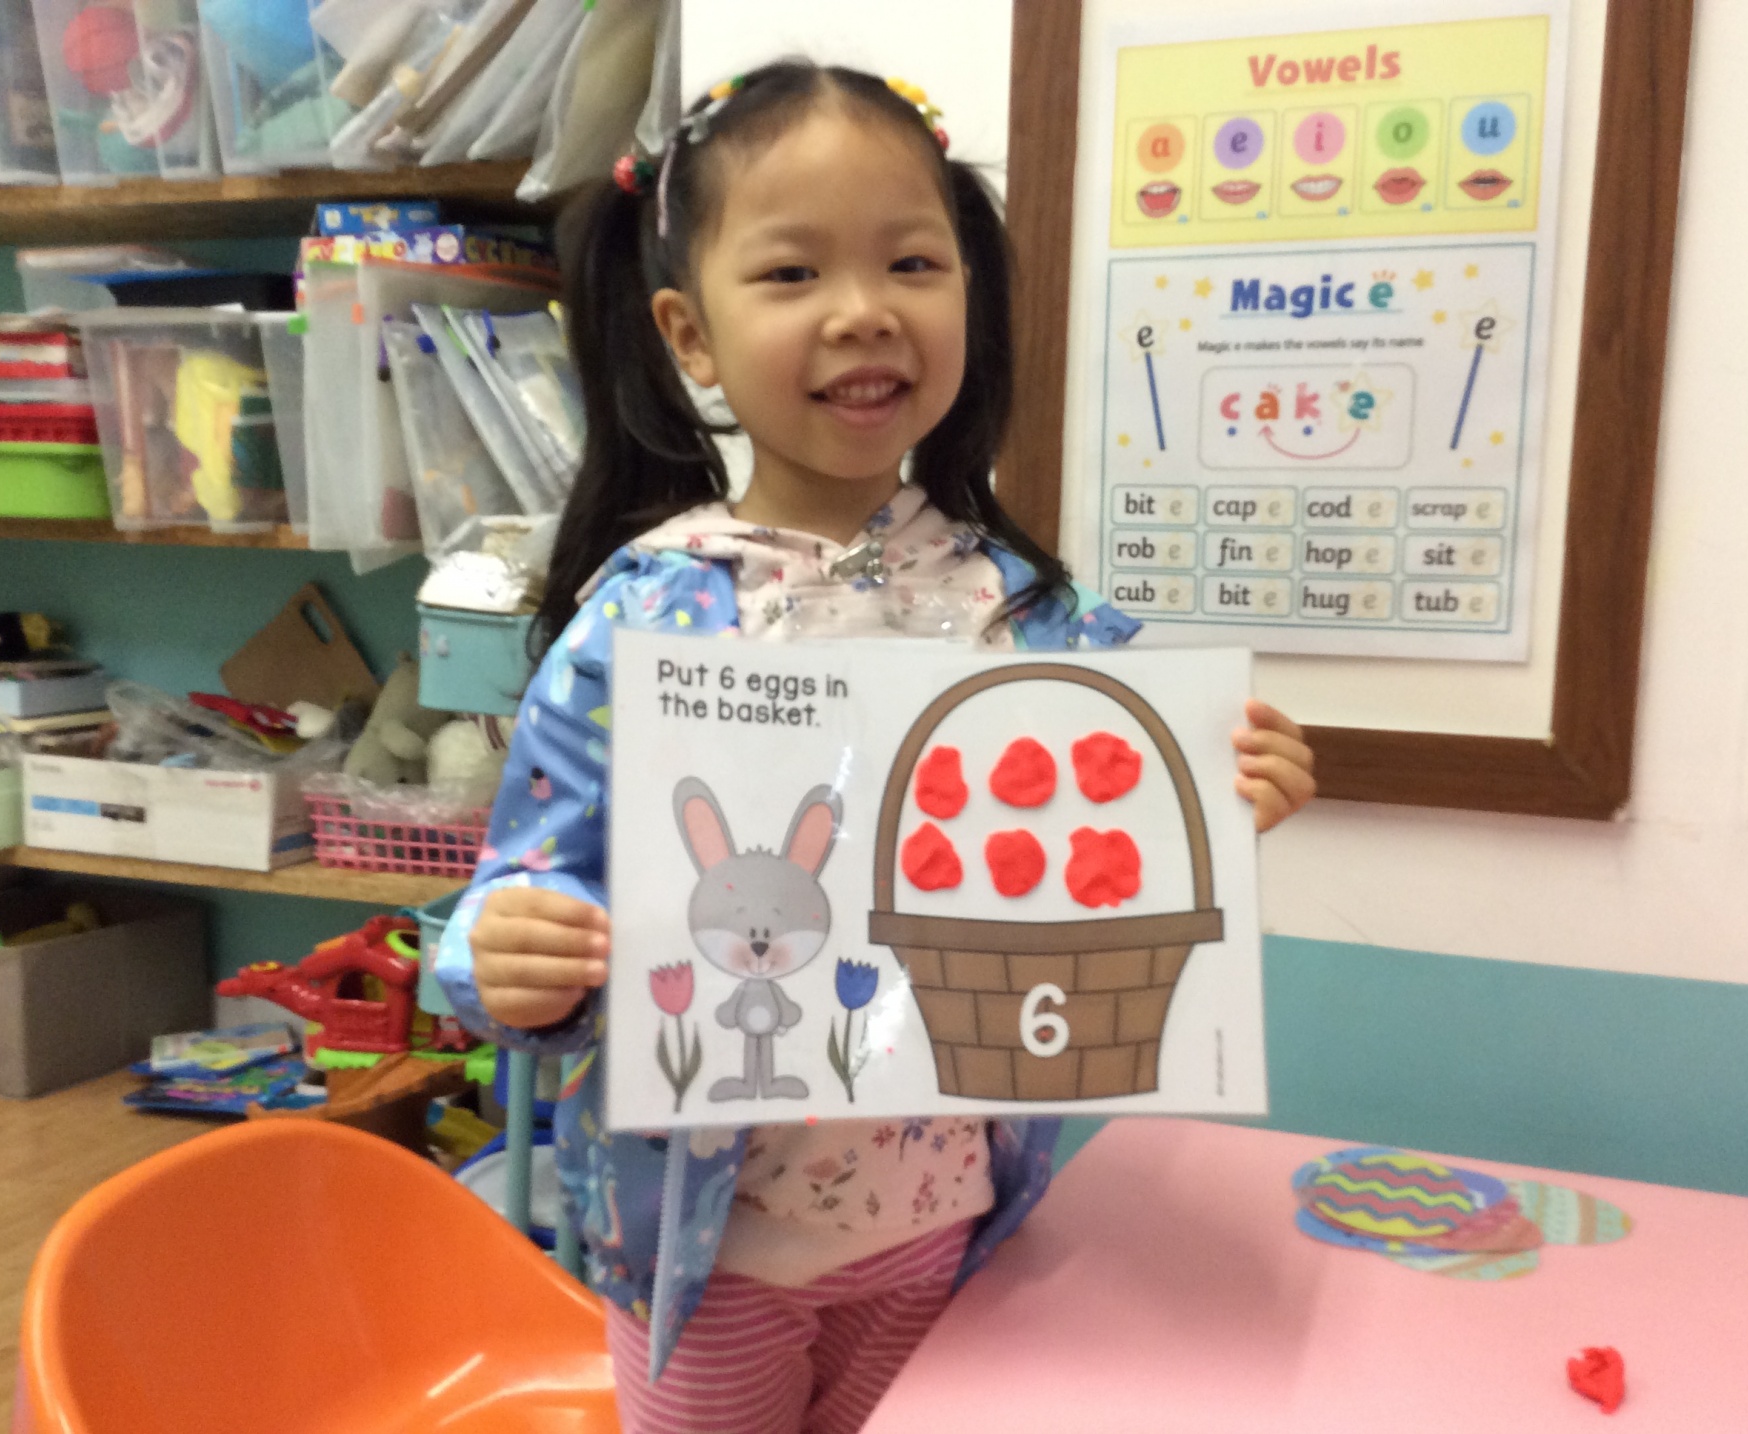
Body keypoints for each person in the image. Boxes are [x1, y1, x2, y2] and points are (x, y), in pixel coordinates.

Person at [432, 59, 1318, 1434]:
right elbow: (522, 892)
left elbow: (1121, 828)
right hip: (707, 1259)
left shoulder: (1027, 611)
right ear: (690, 335)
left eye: (913, 261)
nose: (864, 311)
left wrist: (1225, 789)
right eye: (792, 273)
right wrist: (503, 957)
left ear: (968, 293)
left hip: (949, 1233)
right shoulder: (645, 617)